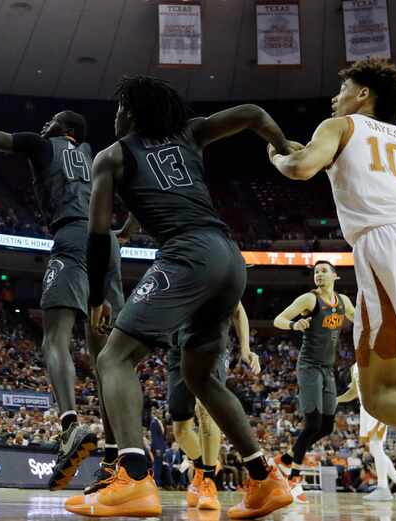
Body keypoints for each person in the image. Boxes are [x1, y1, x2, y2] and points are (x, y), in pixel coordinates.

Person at [67, 75, 293, 519]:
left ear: (130, 111)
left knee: (113, 358)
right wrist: (284, 149)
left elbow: (97, 237)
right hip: (231, 259)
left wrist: (97, 296)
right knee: (201, 377)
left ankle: (132, 475)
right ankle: (264, 479)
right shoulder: (188, 133)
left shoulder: (111, 157)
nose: (114, 116)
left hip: (188, 254)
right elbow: (252, 114)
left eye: (119, 108)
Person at [0, 68, 124, 490]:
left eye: (52, 120)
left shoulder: (43, 145)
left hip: (73, 237)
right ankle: (118, 462)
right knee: (108, 358)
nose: (45, 124)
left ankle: (70, 424)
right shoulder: (97, 156)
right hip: (109, 246)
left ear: (65, 130)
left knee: (54, 336)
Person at [269, 59, 396, 431]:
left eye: (343, 89)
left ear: (363, 94)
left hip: (387, 244)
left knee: (381, 396)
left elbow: (301, 168)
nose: (336, 98)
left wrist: (278, 155)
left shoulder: (341, 125)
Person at [272, 260, 354, 502]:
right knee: (312, 424)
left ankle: (286, 458)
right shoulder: (309, 299)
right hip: (309, 367)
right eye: (316, 272)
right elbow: (278, 319)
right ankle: (293, 476)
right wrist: (294, 324)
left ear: (335, 276)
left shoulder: (343, 302)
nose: (318, 275)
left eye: (323, 271)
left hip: (328, 369)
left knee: (326, 427)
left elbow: (359, 319)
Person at [170, 302, 260, 510]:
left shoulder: (215, 271)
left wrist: (245, 348)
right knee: (180, 429)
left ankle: (209, 481)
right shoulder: (176, 272)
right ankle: (202, 467)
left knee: (206, 411)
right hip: (176, 347)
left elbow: (238, 310)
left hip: (210, 343)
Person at [338, 362, 396, 501]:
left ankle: (383, 487)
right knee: (374, 448)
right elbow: (353, 392)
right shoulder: (354, 366)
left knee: (376, 446)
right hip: (365, 408)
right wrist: (335, 400)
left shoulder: (376, 359)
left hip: (377, 404)